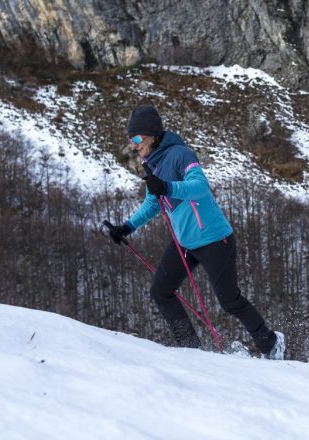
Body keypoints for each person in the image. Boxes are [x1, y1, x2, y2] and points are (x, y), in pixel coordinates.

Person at [107, 104, 285, 360]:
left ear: (152, 134)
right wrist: (127, 226)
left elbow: (200, 186)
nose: (133, 146)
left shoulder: (180, 154)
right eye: (130, 140)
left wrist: (167, 187)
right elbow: (153, 203)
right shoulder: (152, 163)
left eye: (136, 139)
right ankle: (191, 350)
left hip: (214, 240)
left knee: (229, 301)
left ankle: (271, 343)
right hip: (185, 243)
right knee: (160, 291)